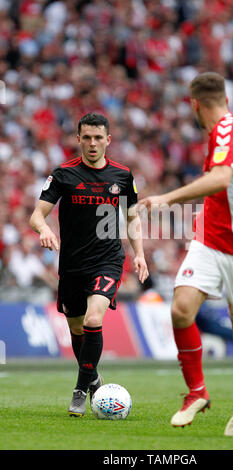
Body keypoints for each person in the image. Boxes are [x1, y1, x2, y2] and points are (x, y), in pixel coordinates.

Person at [139, 72, 233, 437]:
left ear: (195, 104)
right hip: (211, 238)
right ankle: (196, 392)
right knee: (181, 309)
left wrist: (166, 199)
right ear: (225, 99)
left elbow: (220, 180)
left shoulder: (228, 131)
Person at [30, 113, 148, 417]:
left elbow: (132, 217)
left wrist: (139, 254)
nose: (93, 143)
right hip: (72, 265)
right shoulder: (63, 175)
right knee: (77, 328)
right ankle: (93, 377)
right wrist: (44, 229)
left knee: (94, 320)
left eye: (99, 138)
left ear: (108, 140)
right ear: (78, 139)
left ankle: (80, 392)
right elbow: (36, 215)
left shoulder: (122, 176)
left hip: (108, 260)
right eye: (87, 137)